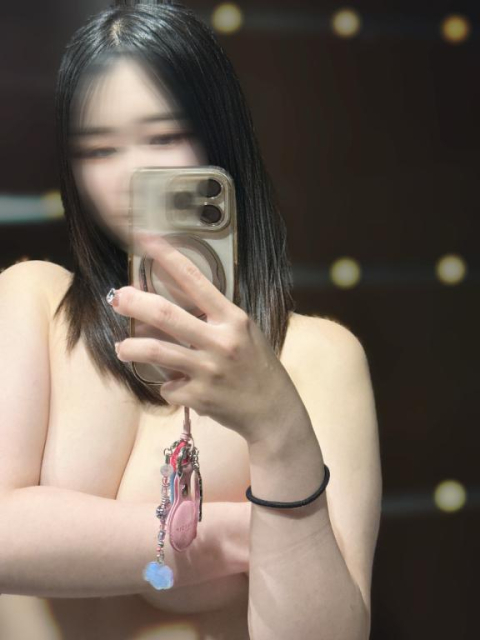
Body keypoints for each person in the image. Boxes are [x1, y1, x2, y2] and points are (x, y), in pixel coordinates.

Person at [0, 1, 382, 638]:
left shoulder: (316, 357)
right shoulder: (34, 303)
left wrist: (276, 426)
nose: (133, 173)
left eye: (162, 137)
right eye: (99, 148)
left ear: (217, 137)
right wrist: (232, 534)